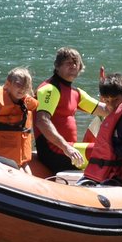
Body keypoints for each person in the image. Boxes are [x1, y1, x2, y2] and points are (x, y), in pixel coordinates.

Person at [33, 47, 98, 175]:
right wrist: (66, 148)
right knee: (103, 151)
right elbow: (41, 121)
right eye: (68, 63)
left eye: (76, 63)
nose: (73, 66)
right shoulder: (50, 89)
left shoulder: (76, 93)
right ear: (58, 66)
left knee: (110, 141)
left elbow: (106, 110)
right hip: (55, 152)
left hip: (68, 148)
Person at [0, 67, 39, 168]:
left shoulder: (26, 105)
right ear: (8, 84)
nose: (22, 89)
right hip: (0, 157)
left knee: (25, 166)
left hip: (21, 157)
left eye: (26, 86)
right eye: (19, 84)